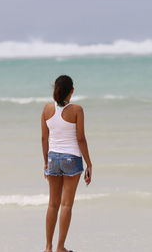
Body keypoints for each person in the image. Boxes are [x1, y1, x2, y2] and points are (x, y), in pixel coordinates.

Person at [41, 75, 92, 252]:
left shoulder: (47, 109)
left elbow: (44, 138)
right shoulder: (77, 110)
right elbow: (81, 138)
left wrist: (45, 162)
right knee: (66, 204)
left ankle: (48, 247)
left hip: (53, 158)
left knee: (52, 204)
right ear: (71, 91)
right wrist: (89, 164)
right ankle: (60, 247)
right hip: (72, 159)